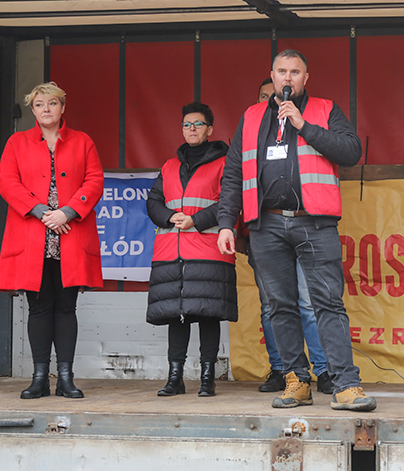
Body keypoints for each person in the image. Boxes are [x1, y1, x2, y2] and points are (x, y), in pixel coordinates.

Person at [217, 49, 376, 412]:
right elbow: (233, 174)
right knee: (279, 306)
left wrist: (304, 125)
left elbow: (351, 151)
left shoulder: (324, 110)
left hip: (314, 221)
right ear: (271, 76)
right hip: (266, 223)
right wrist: (227, 223)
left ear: (306, 78)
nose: (288, 78)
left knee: (327, 303)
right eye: (281, 71)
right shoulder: (252, 116)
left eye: (295, 72)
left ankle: (346, 385)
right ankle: (296, 381)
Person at [0, 82, 104, 400]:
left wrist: (68, 211)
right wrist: (41, 210)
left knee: (67, 308)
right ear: (33, 109)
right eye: (40, 104)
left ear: (62, 108)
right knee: (39, 308)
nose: (46, 109)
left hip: (70, 232)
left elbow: (95, 180)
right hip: (33, 234)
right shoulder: (16, 142)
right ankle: (40, 377)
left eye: (52, 103)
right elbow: (7, 182)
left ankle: (66, 378)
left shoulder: (83, 141)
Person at [146, 102, 237, 397]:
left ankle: (208, 378)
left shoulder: (224, 162)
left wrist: (196, 219)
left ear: (210, 129)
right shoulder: (169, 165)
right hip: (171, 252)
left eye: (198, 124)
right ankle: (176, 378)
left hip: (208, 249)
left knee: (208, 314)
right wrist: (169, 217)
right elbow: (153, 201)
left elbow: (229, 202)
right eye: (187, 124)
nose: (192, 129)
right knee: (177, 315)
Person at [249, 78, 333, 395]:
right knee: (272, 306)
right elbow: (240, 184)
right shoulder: (251, 131)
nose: (274, 100)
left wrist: (303, 124)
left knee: (310, 303)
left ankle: (324, 370)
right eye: (265, 97)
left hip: (307, 223)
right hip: (264, 231)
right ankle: (283, 370)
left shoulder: (307, 120)